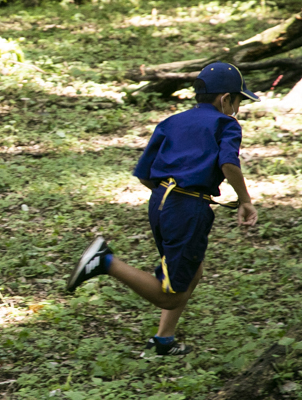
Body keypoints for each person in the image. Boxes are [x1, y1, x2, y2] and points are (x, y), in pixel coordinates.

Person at [66, 62, 259, 355]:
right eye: (238, 100)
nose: (238, 108)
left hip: (159, 202)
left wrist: (169, 198)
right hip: (187, 207)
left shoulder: (171, 122)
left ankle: (164, 340)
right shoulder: (226, 123)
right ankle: (105, 262)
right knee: (170, 295)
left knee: (190, 272)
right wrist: (245, 200)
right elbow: (229, 163)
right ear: (225, 99)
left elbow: (144, 173)